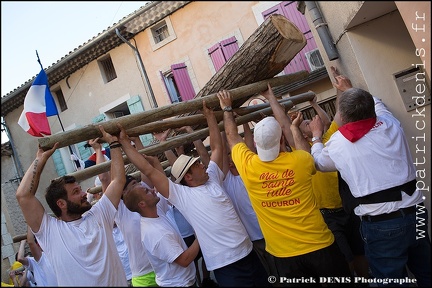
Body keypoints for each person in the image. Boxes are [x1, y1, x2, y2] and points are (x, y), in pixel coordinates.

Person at [118, 101, 269, 287]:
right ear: (187, 176)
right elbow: (149, 171)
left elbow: (216, 148)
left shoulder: (212, 177)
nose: (202, 164)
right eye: (196, 164)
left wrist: (210, 116)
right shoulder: (182, 196)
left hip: (248, 252)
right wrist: (125, 143)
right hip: (226, 265)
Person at [217, 87, 352, 286]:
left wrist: (226, 108)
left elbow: (231, 136)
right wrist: (272, 99)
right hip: (319, 245)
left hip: (283, 256)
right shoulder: (300, 161)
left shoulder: (248, 166)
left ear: (254, 143)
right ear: (281, 139)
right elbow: (292, 135)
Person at [309, 86, 431, 286]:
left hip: (382, 225)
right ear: (370, 109)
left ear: (344, 116)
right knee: (427, 271)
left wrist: (316, 136)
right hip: (416, 214)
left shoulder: (339, 143)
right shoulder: (390, 124)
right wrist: (349, 88)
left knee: (391, 282)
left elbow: (319, 163)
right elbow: (379, 105)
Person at [15, 125, 128, 286]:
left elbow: (118, 180)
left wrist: (114, 144)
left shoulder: (100, 214)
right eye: (76, 192)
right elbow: (23, 196)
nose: (83, 194)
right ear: (61, 203)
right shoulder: (50, 232)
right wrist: (40, 160)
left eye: (80, 190)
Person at [122, 178, 199, 287]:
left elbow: (159, 179)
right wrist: (200, 235)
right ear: (142, 204)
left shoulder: (156, 212)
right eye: (147, 191)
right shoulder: (155, 233)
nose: (153, 190)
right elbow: (184, 260)